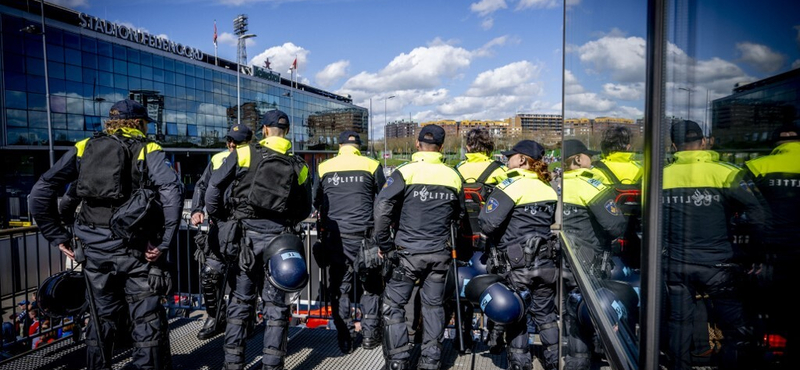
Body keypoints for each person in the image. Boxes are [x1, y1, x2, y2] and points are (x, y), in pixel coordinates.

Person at [29, 99, 183, 370]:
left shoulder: (84, 147)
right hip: (136, 251)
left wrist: (57, 235)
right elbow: (172, 190)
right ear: (139, 123)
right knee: (146, 322)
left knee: (100, 320)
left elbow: (41, 190)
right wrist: (164, 241)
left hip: (93, 251)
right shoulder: (148, 148)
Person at [205, 109, 312, 370]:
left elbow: (213, 189)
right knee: (277, 306)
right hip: (280, 241)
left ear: (264, 130)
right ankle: (272, 366)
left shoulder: (243, 153)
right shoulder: (299, 165)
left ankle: (233, 364)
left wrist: (222, 218)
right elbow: (305, 209)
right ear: (286, 132)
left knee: (241, 302)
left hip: (246, 241)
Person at [662, 120, 764, 370]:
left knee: (679, 324)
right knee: (734, 326)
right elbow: (758, 213)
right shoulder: (726, 172)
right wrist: (755, 254)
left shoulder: (659, 175)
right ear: (704, 142)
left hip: (677, 264)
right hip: (719, 265)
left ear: (675, 146)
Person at [373, 124, 464, 370]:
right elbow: (460, 216)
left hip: (407, 254)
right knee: (433, 306)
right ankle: (431, 360)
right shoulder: (453, 175)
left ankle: (398, 360)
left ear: (417, 144)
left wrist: (385, 244)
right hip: (439, 254)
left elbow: (382, 209)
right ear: (442, 147)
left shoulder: (405, 172)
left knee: (393, 305)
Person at [478, 140, 559, 370]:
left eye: (511, 156)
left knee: (518, 316)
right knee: (546, 315)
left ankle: (520, 363)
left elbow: (487, 223)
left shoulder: (509, 186)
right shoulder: (548, 188)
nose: (507, 159)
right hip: (545, 263)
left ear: (522, 160)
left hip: (516, 265)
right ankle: (554, 359)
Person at [313, 130, 386, 353]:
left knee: (340, 289)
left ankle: (345, 338)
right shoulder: (372, 165)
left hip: (336, 239)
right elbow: (384, 201)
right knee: (371, 287)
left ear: (340, 146)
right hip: (366, 238)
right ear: (359, 147)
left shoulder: (324, 167)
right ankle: (370, 336)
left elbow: (316, 201)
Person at [560, 139, 628, 370]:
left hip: (559, 261)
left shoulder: (553, 185)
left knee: (568, 311)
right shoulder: (591, 186)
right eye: (588, 156)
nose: (592, 159)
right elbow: (616, 226)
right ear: (578, 160)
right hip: (588, 264)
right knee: (584, 313)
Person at [742, 122, 800, 368]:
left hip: (770, 251)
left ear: (774, 144)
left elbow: (742, 207)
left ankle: (767, 352)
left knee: (766, 309)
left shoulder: (757, 166)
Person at [191, 123, 253, 340]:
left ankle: (247, 320)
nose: (232, 144)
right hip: (221, 227)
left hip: (247, 229)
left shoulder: (257, 159)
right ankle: (215, 317)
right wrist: (197, 210)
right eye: (230, 140)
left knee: (244, 277)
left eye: (237, 142)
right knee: (209, 275)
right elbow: (201, 186)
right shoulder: (218, 159)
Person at [453, 127, 507, 353]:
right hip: (491, 242)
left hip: (462, 241)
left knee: (463, 287)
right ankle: (495, 337)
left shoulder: (455, 171)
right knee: (496, 284)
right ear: (490, 147)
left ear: (467, 147)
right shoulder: (501, 171)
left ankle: (463, 336)